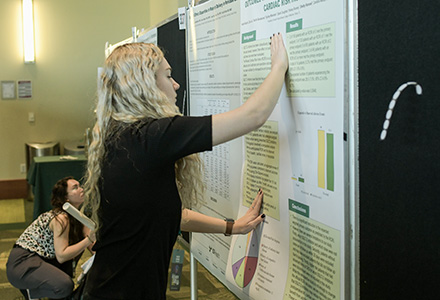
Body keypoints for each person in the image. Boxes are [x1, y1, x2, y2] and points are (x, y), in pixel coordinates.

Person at [82, 33, 288, 299]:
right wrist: (279, 66)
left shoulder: (119, 135)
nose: (176, 85)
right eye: (168, 76)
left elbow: (163, 214)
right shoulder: (153, 135)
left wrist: (232, 227)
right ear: (146, 84)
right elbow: (254, 115)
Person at [6, 177, 96, 300]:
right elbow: (62, 255)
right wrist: (88, 240)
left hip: (42, 262)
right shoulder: (60, 218)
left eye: (80, 186)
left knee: (67, 290)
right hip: (23, 262)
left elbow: (94, 249)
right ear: (66, 198)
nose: (82, 189)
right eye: (75, 187)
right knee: (65, 286)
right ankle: (30, 292)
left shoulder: (79, 218)